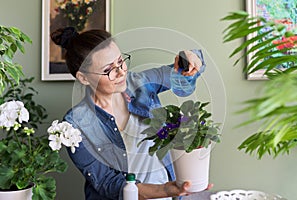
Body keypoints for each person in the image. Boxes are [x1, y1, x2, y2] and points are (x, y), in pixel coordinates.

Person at [51, 27, 208, 200]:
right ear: (83, 78)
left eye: (121, 61)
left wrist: (192, 58)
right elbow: (107, 182)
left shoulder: (139, 83)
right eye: (109, 70)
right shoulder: (74, 125)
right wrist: (166, 190)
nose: (121, 72)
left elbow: (183, 73)